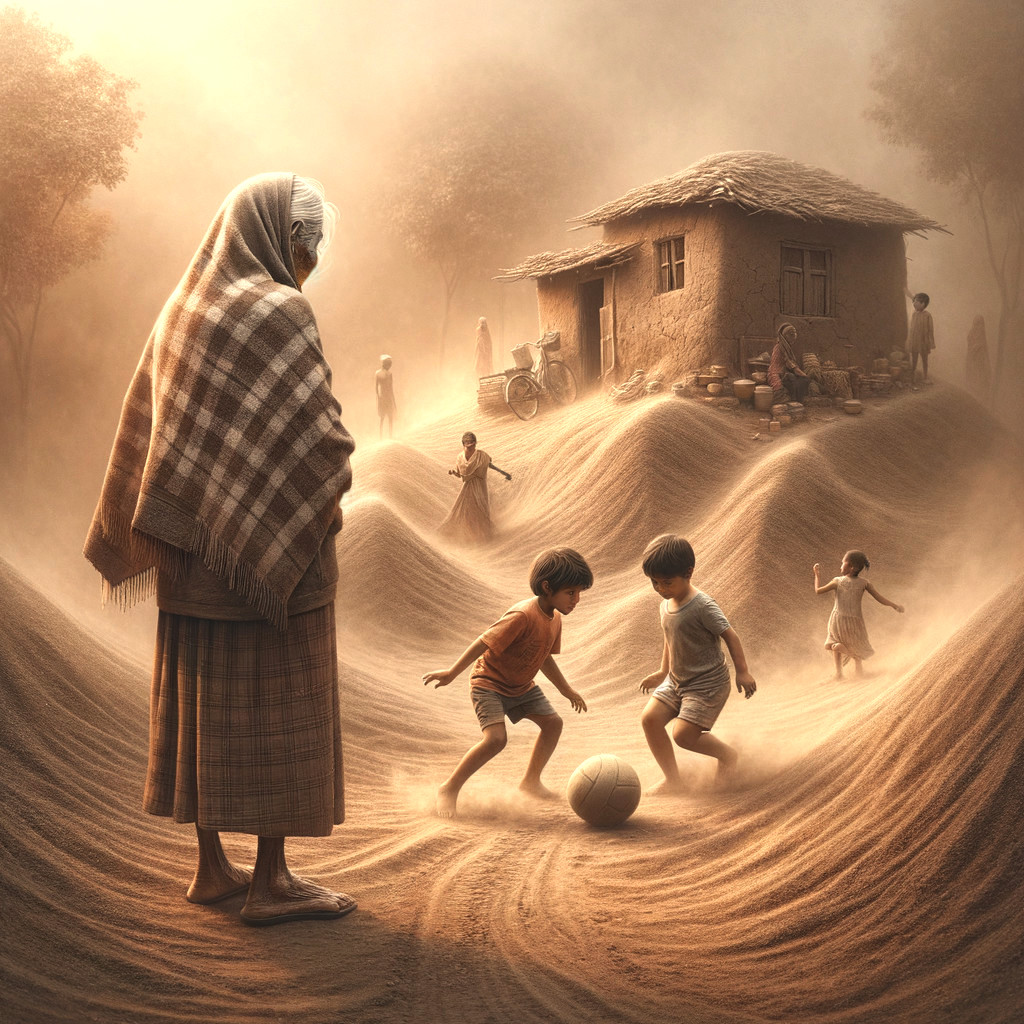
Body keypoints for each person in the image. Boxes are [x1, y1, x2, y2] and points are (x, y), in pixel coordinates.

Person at [84, 173, 357, 926]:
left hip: (192, 558)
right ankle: (271, 880)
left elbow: (150, 429)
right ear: (284, 239)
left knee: (205, 706)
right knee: (281, 707)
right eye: (310, 249)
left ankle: (211, 871)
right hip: (272, 565)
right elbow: (318, 439)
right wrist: (334, 473)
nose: (308, 267)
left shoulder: (183, 307)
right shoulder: (280, 310)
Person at [423, 548, 592, 819]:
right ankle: (449, 788)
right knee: (495, 740)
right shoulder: (523, 615)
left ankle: (531, 782)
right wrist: (452, 673)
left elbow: (544, 657)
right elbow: (483, 641)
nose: (577, 599)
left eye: (579, 592)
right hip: (488, 683)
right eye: (571, 592)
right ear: (548, 587)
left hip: (522, 686)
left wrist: (566, 690)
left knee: (553, 723)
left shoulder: (555, 618)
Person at [638, 535, 756, 792]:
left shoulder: (702, 605)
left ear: (688, 572)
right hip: (676, 679)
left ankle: (728, 756)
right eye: (654, 582)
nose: (660, 588)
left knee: (683, 735)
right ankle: (673, 781)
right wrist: (662, 672)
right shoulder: (665, 605)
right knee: (650, 720)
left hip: (707, 684)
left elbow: (730, 635)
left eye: (666, 582)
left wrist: (743, 672)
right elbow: (670, 639)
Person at [813, 550, 904, 679]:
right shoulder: (864, 583)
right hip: (856, 621)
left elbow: (818, 591)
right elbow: (880, 598)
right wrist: (894, 605)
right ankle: (858, 671)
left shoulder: (837, 581)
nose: (840, 565)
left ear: (851, 567)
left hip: (837, 619)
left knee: (835, 644)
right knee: (855, 643)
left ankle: (840, 672)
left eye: (843, 563)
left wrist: (816, 575)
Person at [438, 431, 510, 543]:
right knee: (465, 510)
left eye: (473, 445)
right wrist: (453, 472)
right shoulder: (460, 457)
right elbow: (459, 474)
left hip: (480, 486)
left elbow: (491, 466)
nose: (472, 447)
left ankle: (485, 537)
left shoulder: (482, 455)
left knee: (481, 509)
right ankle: (465, 536)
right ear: (464, 445)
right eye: (469, 445)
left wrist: (504, 473)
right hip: (467, 487)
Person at [768, 322, 810, 402]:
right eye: (792, 334)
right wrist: (805, 376)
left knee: (797, 379)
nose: (794, 337)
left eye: (795, 334)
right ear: (785, 336)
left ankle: (796, 399)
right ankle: (796, 400)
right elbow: (792, 366)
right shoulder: (780, 347)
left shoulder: (785, 347)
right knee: (803, 380)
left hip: (782, 372)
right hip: (776, 374)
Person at [906, 292, 935, 383]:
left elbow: (931, 330)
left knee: (924, 359)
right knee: (914, 359)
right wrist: (910, 339)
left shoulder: (927, 315)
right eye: (914, 301)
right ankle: (912, 376)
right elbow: (912, 328)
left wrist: (931, 342)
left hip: (923, 341)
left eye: (916, 302)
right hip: (915, 340)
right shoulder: (914, 314)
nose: (914, 303)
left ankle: (925, 377)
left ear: (923, 304)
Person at [965, 314, 991, 403]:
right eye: (977, 323)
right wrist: (977, 347)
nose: (979, 325)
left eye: (980, 323)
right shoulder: (971, 333)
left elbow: (985, 349)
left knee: (981, 381)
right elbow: (971, 348)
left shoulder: (982, 334)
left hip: (981, 362)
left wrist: (987, 364)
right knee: (974, 380)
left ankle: (981, 399)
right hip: (973, 361)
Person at [375, 354, 396, 438]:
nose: (390, 366)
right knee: (383, 418)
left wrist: (393, 400)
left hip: (386, 397)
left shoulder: (389, 374)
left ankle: (390, 436)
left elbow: (391, 388)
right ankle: (381, 437)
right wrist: (378, 398)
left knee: (388, 417)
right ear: (385, 364)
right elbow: (376, 387)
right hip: (383, 397)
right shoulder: (379, 373)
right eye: (389, 364)